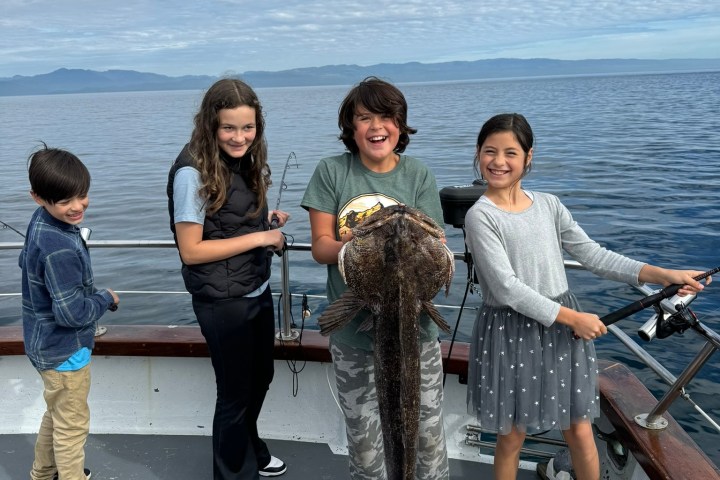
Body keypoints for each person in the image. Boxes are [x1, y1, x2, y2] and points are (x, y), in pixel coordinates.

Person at [464, 113, 711, 480]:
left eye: (510, 153)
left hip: (564, 329)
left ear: (528, 157)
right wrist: (573, 318)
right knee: (512, 435)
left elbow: (594, 255)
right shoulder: (480, 216)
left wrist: (665, 275)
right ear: (478, 153)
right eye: (490, 151)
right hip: (513, 331)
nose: (499, 162)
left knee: (579, 428)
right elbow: (505, 287)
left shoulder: (549, 204)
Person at [301, 76, 450, 479]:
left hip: (417, 334)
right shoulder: (332, 172)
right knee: (366, 446)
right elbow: (320, 247)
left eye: (386, 116)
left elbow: (435, 246)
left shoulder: (418, 175)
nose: (376, 126)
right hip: (353, 335)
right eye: (364, 117)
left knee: (429, 442)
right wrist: (350, 245)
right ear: (351, 128)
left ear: (400, 125)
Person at [167, 78, 288, 479]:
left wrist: (266, 220)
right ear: (210, 125)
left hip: (256, 287)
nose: (240, 137)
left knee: (261, 379)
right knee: (234, 395)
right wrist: (262, 236)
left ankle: (252, 450)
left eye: (248, 127)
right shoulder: (191, 172)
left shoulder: (240, 160)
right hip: (223, 302)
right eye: (229, 128)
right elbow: (192, 249)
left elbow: (228, 221)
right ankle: (233, 474)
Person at [20, 145, 119, 480]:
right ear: (38, 197)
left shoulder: (42, 220)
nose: (77, 207)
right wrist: (104, 298)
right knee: (72, 428)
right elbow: (72, 314)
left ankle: (42, 473)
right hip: (66, 352)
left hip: (41, 344)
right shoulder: (59, 246)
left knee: (56, 414)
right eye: (65, 201)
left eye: (82, 195)